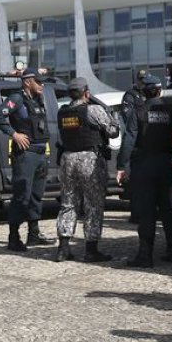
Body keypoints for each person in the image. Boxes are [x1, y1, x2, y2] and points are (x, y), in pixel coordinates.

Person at [52, 77, 119, 262]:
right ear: (86, 92)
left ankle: (63, 249)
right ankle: (91, 250)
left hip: (67, 159)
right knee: (93, 204)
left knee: (68, 202)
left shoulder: (62, 112)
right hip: (89, 159)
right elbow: (113, 131)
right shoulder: (93, 110)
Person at [116, 73, 172, 267]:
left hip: (145, 165)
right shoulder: (171, 111)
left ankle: (145, 255)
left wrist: (121, 165)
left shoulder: (139, 111)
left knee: (146, 211)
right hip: (167, 164)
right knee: (169, 209)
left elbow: (129, 139)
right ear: (160, 90)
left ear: (143, 92)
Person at [0, 68, 54, 252]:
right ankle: (13, 237)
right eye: (38, 82)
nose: (42, 85)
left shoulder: (37, 99)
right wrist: (14, 134)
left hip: (40, 153)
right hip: (26, 156)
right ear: (27, 82)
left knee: (36, 195)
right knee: (21, 196)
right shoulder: (17, 98)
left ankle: (33, 234)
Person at [120, 68, 147, 224]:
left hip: (148, 142)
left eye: (145, 80)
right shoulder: (131, 95)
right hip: (136, 142)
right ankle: (136, 213)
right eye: (141, 80)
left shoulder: (149, 93)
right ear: (137, 80)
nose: (143, 83)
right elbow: (127, 116)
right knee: (135, 182)